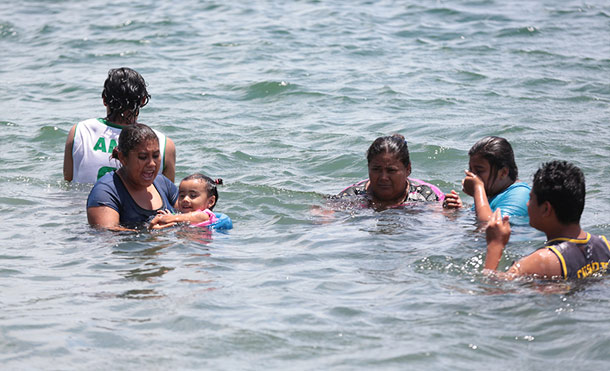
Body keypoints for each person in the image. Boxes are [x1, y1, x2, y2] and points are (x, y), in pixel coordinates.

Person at [484, 161, 610, 279]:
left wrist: (495, 244)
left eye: (531, 198)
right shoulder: (605, 245)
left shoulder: (541, 260)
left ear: (546, 209)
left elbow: (491, 290)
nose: (527, 204)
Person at [64, 67, 176, 183]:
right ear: (143, 101)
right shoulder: (162, 144)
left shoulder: (80, 131)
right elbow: (167, 194)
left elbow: (67, 182)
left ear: (104, 100)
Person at [87, 123, 178, 230]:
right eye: (143, 157)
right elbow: (106, 234)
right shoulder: (105, 192)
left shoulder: (162, 183)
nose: (152, 164)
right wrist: (148, 233)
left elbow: (192, 213)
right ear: (123, 158)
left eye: (156, 156)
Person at [334, 134, 445, 211]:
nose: (383, 177)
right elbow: (326, 217)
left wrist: (454, 210)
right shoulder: (352, 196)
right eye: (376, 169)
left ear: (408, 169)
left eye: (391, 170)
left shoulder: (428, 195)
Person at [444, 136, 530, 222]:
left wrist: (477, 188)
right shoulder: (492, 193)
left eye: (479, 170)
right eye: (470, 170)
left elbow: (491, 227)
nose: (472, 176)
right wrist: (460, 210)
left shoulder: (520, 194)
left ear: (503, 173)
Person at [149, 173, 233, 230]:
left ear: (210, 201)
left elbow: (198, 216)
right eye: (181, 195)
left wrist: (170, 218)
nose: (185, 199)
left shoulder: (206, 215)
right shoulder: (181, 216)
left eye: (193, 196)